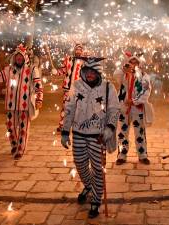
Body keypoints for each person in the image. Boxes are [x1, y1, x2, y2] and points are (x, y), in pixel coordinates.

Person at [61, 57, 120, 218]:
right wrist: (65, 131)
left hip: (97, 137)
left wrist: (109, 128)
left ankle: (96, 200)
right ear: (83, 72)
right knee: (80, 164)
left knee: (98, 169)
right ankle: (89, 186)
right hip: (79, 133)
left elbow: (114, 110)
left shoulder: (108, 87)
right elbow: (69, 108)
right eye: (87, 72)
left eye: (93, 72)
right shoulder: (76, 86)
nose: (90, 75)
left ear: (98, 73)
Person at [0, 44, 43, 160]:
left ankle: (21, 149)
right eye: (17, 57)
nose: (19, 59)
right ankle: (14, 144)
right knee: (10, 126)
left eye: (21, 57)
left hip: (25, 105)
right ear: (14, 58)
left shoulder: (32, 69)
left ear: (25, 58)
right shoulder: (9, 70)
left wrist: (39, 99)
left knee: (23, 128)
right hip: (11, 104)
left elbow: (38, 86)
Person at [115, 52, 153, 165]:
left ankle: (142, 155)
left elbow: (146, 91)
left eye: (135, 62)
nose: (133, 64)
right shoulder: (123, 74)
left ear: (139, 63)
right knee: (122, 132)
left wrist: (134, 101)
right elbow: (115, 75)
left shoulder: (144, 76)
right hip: (123, 107)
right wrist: (123, 70)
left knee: (139, 132)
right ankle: (122, 155)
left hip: (137, 108)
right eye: (131, 62)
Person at [56, 44, 85, 132]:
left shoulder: (84, 62)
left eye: (80, 50)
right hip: (67, 88)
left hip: (79, 89)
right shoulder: (68, 59)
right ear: (74, 50)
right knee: (65, 107)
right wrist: (56, 72)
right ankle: (62, 125)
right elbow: (63, 70)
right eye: (77, 50)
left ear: (82, 51)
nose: (78, 52)